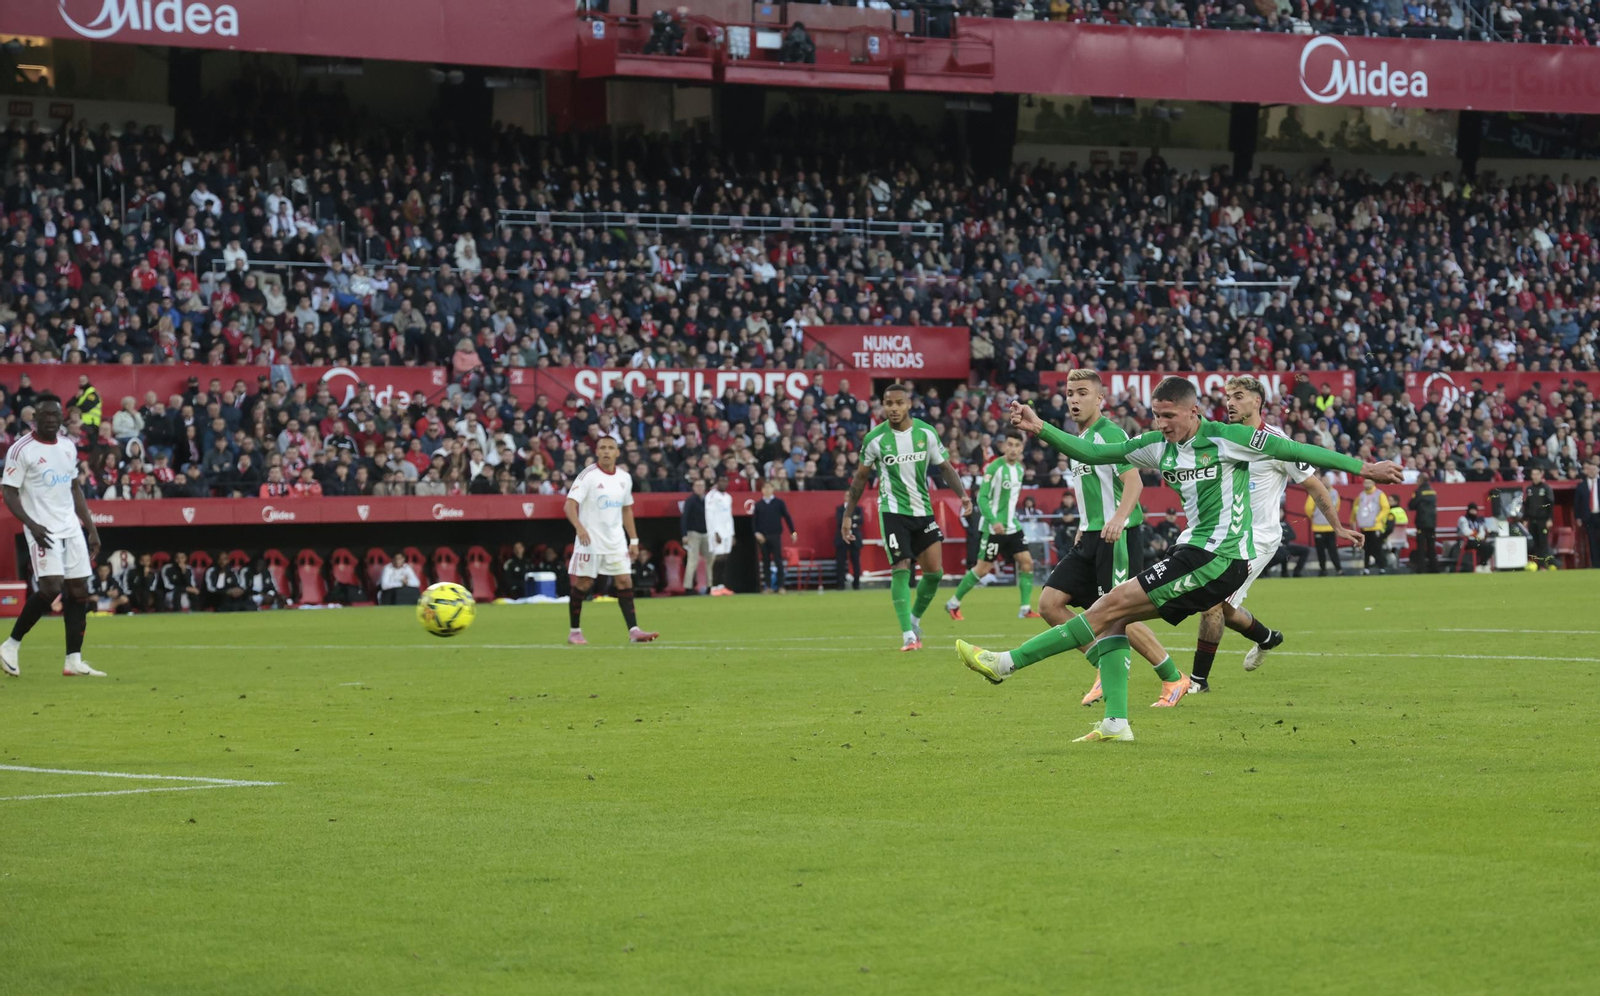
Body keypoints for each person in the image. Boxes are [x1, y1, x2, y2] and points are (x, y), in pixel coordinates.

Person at [958, 376, 1400, 743]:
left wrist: (1364, 469)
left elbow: (1299, 453)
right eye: (1157, 415)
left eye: (1170, 415)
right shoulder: (1155, 446)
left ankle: (1005, 664)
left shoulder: (1227, 438)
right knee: (1114, 618)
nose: (1162, 423)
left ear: (1193, 412)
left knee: (1106, 608)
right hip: (1194, 552)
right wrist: (1040, 429)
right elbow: (1093, 454)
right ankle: (1116, 722)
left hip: (1219, 556)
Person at [998, 371, 1178, 705]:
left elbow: (1134, 483)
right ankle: (1102, 665)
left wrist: (1119, 519)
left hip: (1117, 537)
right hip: (1090, 535)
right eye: (1069, 394)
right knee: (1050, 604)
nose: (1074, 399)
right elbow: (1093, 490)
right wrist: (1085, 522)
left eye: (1082, 393)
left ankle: (1172, 678)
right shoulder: (1079, 438)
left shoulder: (1108, 432)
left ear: (1100, 399)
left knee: (1117, 615)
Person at [1187, 376, 1361, 693]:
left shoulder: (1276, 442)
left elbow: (1315, 485)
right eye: (1227, 397)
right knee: (1221, 606)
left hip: (1258, 538)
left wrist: (1337, 526)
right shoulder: (1223, 439)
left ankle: (1198, 682)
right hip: (1223, 535)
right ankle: (1266, 637)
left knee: (1211, 603)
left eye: (1238, 396)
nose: (1229, 402)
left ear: (1257, 402)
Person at [841, 383, 972, 651]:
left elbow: (945, 468)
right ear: (883, 406)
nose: (893, 408)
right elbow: (859, 479)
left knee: (935, 573)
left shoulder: (926, 433)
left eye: (899, 403)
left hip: (923, 511)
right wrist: (847, 515)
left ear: (909, 404)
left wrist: (964, 496)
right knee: (901, 568)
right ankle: (907, 636)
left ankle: (913, 619)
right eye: (888, 403)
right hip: (893, 512)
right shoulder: (875, 439)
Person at [0, 393, 105, 677]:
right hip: (41, 528)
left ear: (62, 418)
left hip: (70, 527)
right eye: (44, 415)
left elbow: (75, 489)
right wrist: (31, 525)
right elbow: (8, 492)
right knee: (50, 587)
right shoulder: (22, 449)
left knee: (79, 589)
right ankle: (10, 644)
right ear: (34, 418)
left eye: (54, 416)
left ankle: (73, 660)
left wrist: (91, 528)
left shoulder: (69, 447)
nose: (50, 420)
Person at [564, 437, 658, 645]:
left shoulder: (624, 477)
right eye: (602, 448)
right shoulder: (587, 476)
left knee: (624, 581)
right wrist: (579, 528)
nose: (606, 451)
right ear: (597, 452)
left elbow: (626, 509)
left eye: (610, 448)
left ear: (617, 452)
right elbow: (569, 505)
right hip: (590, 541)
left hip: (615, 541)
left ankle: (634, 630)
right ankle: (575, 631)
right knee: (584, 583)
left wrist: (633, 540)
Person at [945, 429, 1040, 621]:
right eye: (1010, 445)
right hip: (993, 527)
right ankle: (953, 603)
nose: (1013, 449)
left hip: (1012, 526)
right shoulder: (993, 468)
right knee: (982, 569)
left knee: (1027, 562)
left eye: (1017, 445)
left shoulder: (1020, 470)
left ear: (1022, 448)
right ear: (1004, 446)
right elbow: (982, 498)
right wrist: (993, 520)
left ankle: (1024, 608)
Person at [752, 480, 797, 593]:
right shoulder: (758, 505)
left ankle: (781, 586)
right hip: (763, 536)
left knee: (778, 561)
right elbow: (754, 522)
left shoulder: (779, 503)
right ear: (762, 490)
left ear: (773, 489)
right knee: (766, 562)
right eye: (765, 488)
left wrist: (793, 532)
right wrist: (757, 533)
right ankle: (768, 586)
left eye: (769, 487)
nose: (767, 490)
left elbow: (787, 517)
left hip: (775, 535)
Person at [1352, 477, 1392, 574]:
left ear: (1374, 483)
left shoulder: (1379, 494)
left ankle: (1382, 567)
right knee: (1366, 549)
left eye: (1369, 482)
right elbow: (1355, 508)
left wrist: (1377, 519)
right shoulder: (1361, 496)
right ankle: (1366, 568)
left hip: (1375, 526)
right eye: (1365, 482)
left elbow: (1386, 508)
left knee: (1378, 548)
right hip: (1365, 527)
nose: (1367, 484)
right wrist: (1353, 521)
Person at [1306, 476, 1344, 576]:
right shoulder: (1330, 493)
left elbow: (1337, 507)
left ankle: (1334, 569)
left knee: (1330, 550)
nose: (1326, 482)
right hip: (1320, 527)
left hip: (1328, 527)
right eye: (1324, 480)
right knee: (1323, 551)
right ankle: (1328, 569)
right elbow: (1308, 508)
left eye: (1327, 480)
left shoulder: (1333, 493)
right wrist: (1317, 518)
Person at [679, 478, 711, 595]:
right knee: (693, 559)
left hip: (707, 533)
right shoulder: (690, 500)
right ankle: (688, 586)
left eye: (702, 485)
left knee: (710, 559)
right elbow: (684, 518)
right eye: (697, 486)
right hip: (694, 533)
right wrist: (684, 534)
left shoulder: (708, 500)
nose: (700, 488)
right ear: (693, 488)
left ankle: (710, 586)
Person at [705, 476, 735, 596]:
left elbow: (729, 516)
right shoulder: (711, 496)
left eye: (726, 481)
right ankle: (713, 587)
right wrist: (714, 532)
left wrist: (732, 533)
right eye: (721, 481)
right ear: (717, 482)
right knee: (717, 558)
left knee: (725, 557)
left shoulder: (728, 497)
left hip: (727, 532)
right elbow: (709, 516)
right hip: (717, 532)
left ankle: (721, 585)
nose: (723, 483)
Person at [1523, 467, 1555, 570]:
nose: (1535, 476)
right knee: (1534, 543)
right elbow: (1526, 505)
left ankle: (1543, 565)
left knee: (1543, 543)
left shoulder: (1546, 488)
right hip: (1532, 520)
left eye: (1537, 474)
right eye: (1533, 474)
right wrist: (1525, 519)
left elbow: (1551, 504)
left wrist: (1550, 519)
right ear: (1531, 476)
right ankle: (1538, 564)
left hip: (1543, 520)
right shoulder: (1529, 489)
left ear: (1541, 475)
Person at [1408, 474, 1439, 573]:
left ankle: (1422, 569)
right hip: (1432, 523)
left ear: (1420, 480)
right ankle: (1435, 568)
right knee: (1431, 546)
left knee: (1421, 547)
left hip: (1422, 522)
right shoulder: (1433, 491)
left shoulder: (1419, 492)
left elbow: (1412, 505)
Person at [1457, 502, 1493, 573]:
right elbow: (1466, 532)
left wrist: (1479, 535)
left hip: (1477, 540)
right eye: (1472, 510)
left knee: (1490, 547)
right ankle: (1481, 566)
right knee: (1483, 546)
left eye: (1475, 510)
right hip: (1466, 542)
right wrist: (1476, 534)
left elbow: (1482, 531)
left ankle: (1483, 565)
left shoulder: (1478, 520)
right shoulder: (1463, 519)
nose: (1473, 512)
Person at [835, 501, 864, 589]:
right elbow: (840, 521)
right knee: (841, 562)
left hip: (855, 538)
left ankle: (856, 584)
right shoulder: (840, 509)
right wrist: (853, 520)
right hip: (841, 538)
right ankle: (840, 584)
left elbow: (861, 520)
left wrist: (847, 519)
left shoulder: (858, 508)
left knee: (856, 562)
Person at [1577, 460, 1600, 569]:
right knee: (1592, 541)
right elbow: (1577, 503)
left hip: (1599, 515)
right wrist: (1578, 517)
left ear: (1597, 470)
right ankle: (1595, 564)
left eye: (1593, 469)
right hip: (1588, 517)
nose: (1591, 471)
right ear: (1586, 471)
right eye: (1589, 469)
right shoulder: (1581, 485)